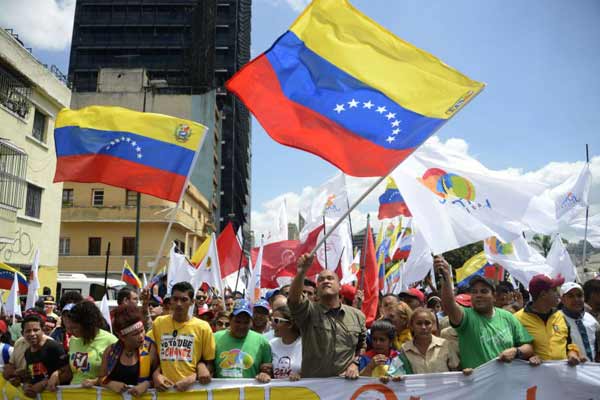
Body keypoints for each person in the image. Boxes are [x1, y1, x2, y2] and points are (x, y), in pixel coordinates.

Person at [436, 256, 536, 368]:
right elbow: (449, 305)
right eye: (474, 292)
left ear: (494, 296)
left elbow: (529, 347)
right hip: (478, 384)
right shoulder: (466, 317)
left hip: (508, 383)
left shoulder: (508, 317)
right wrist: (445, 277)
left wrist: (516, 351)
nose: (478, 295)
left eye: (484, 291)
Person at [288, 254, 366, 378]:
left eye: (330, 278)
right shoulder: (308, 311)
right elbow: (293, 300)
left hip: (346, 388)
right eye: (321, 279)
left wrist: (355, 363)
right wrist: (302, 272)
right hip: (315, 389)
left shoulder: (358, 316)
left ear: (340, 286)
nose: (326, 281)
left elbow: (362, 346)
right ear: (317, 288)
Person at [151, 281, 215, 391]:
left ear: (192, 302)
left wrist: (193, 378)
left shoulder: (203, 327)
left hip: (192, 390)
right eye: (175, 299)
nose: (179, 304)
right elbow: (154, 358)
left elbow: (210, 364)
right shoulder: (158, 323)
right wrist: (155, 375)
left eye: (184, 299)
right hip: (164, 390)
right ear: (170, 300)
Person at [515, 275, 583, 365]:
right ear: (543, 294)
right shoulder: (517, 319)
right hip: (533, 377)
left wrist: (573, 354)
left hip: (562, 376)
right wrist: (528, 358)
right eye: (554, 290)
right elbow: (512, 351)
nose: (558, 294)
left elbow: (569, 345)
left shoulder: (560, 316)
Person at [99, 304, 158, 396]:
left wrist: (147, 384)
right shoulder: (110, 352)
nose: (141, 336)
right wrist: (110, 384)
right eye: (135, 334)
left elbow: (160, 376)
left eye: (142, 330)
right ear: (122, 337)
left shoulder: (150, 349)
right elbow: (101, 378)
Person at [214, 299, 272, 382]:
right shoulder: (215, 338)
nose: (241, 326)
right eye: (238, 321)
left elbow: (268, 370)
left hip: (250, 394)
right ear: (230, 319)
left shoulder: (262, 342)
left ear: (251, 322)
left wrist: (265, 374)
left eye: (246, 322)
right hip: (222, 394)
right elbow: (208, 366)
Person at [401, 308, 466, 375]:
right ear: (411, 326)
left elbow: (456, 372)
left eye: (427, 323)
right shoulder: (405, 349)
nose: (423, 327)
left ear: (433, 325)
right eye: (419, 323)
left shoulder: (445, 345)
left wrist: (465, 372)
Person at [67, 301, 118, 386]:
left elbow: (116, 374)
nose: (70, 331)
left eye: (75, 328)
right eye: (70, 328)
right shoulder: (73, 340)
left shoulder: (111, 341)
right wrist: (57, 374)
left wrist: (96, 381)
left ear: (88, 325)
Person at [21, 313, 70, 397]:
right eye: (28, 331)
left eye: (36, 330)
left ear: (43, 330)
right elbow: (31, 375)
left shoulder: (54, 347)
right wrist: (26, 385)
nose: (32, 334)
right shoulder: (27, 352)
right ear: (22, 333)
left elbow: (67, 373)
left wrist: (45, 383)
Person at [560, 282, 600, 362]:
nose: (576, 299)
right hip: (570, 370)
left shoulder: (591, 320)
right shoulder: (557, 319)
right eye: (571, 296)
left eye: (579, 295)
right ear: (563, 300)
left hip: (592, 371)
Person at [270, 305, 302, 380]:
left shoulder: (306, 345)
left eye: (276, 321)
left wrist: (301, 375)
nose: (272, 324)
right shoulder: (271, 345)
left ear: (290, 324)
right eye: (272, 320)